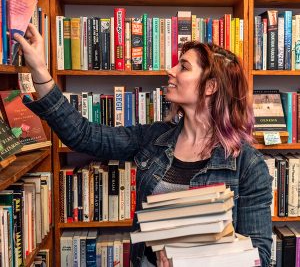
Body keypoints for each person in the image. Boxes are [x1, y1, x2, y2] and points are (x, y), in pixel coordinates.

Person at [14, 24, 272, 267]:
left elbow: (257, 255)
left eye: (183, 66)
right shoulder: (155, 138)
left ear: (211, 86)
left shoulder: (247, 164)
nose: (170, 71)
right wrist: (40, 71)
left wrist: (188, 259)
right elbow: (83, 135)